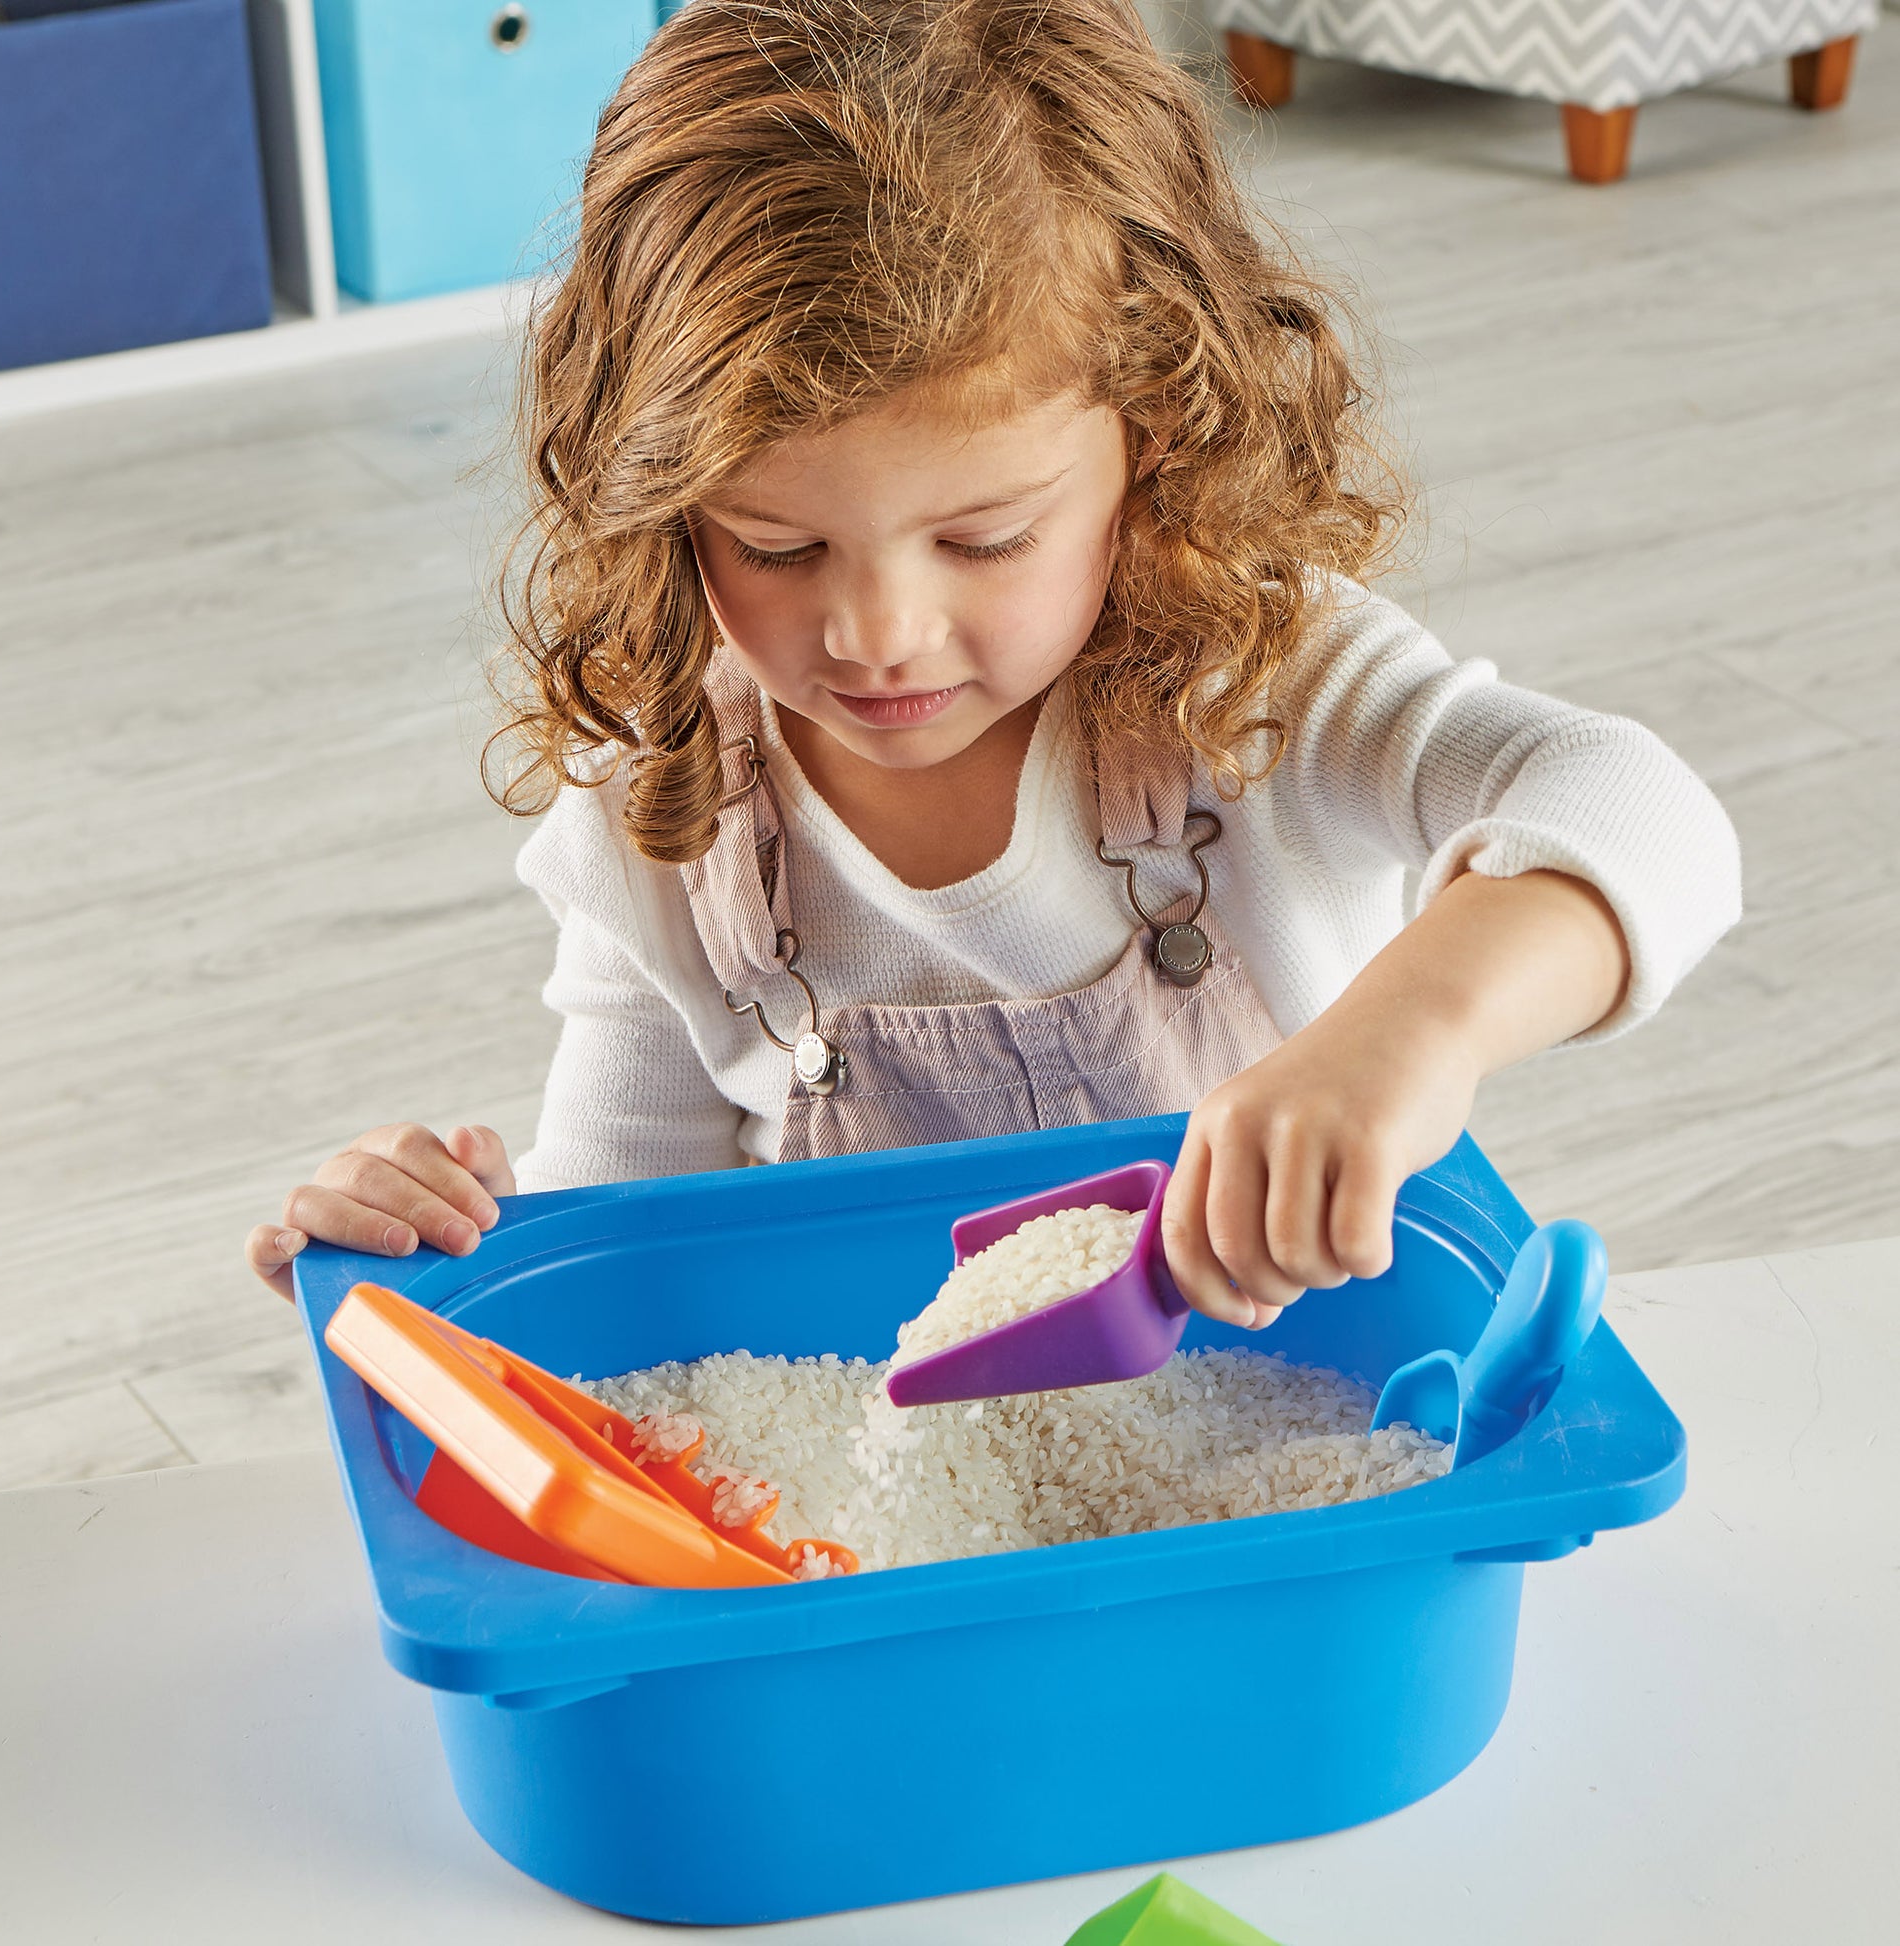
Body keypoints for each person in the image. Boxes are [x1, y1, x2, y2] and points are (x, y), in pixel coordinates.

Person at [245, 0, 1739, 1329]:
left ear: (1155, 434)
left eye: (982, 539)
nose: (875, 634)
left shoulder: (1252, 681)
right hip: (878, 1496)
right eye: (774, 546)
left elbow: (1639, 810)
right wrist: (437, 1253)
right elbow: (631, 1256)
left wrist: (1410, 1034)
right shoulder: (670, 806)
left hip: (1304, 1416)